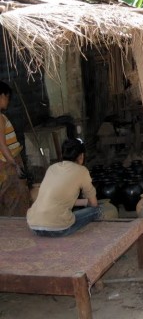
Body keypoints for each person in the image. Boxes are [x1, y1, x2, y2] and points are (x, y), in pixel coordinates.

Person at [27, 138, 102, 237]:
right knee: (98, 210)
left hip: (34, 225)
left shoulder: (52, 168)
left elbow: (60, 198)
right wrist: (91, 204)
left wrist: (84, 202)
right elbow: (94, 204)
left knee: (67, 210)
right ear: (81, 156)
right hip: (58, 229)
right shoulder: (82, 171)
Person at [0, 81, 31, 216]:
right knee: (15, 200)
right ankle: (17, 231)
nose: (8, 101)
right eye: (7, 97)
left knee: (7, 200)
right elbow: (1, 144)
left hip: (4, 163)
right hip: (8, 164)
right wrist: (15, 164)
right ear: (1, 96)